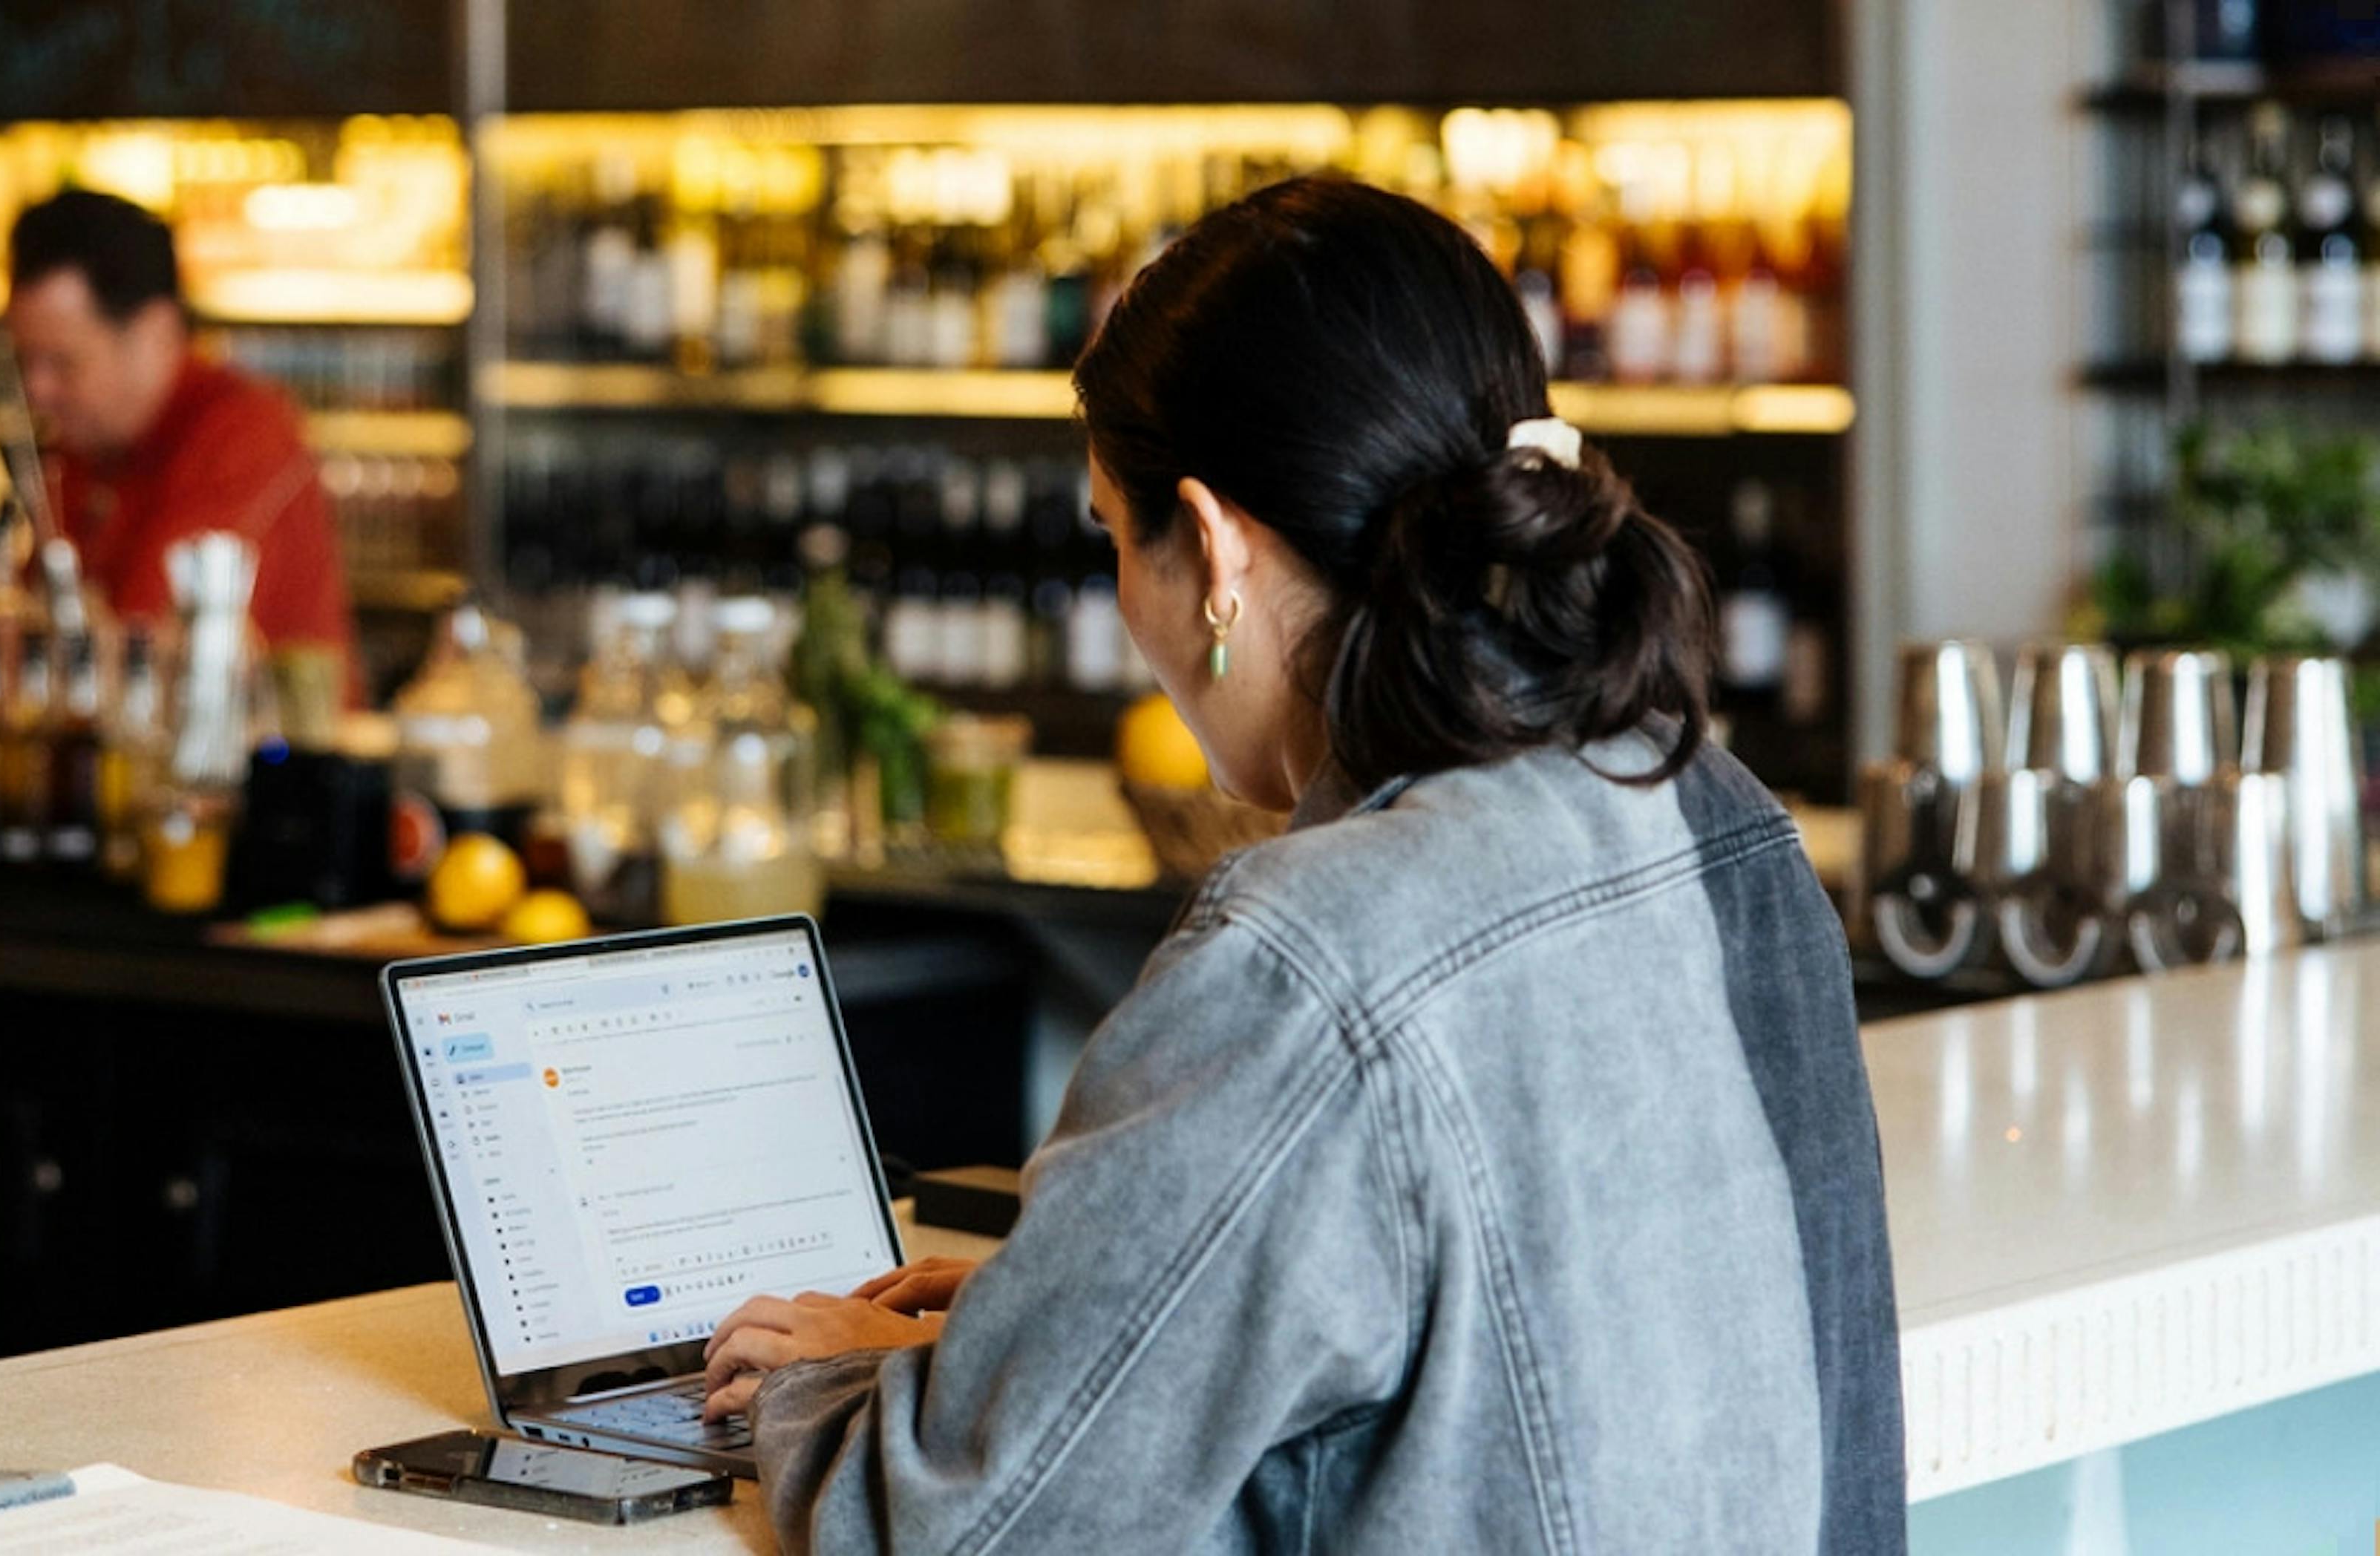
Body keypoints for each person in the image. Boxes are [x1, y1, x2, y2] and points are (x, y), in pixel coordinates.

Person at [701, 178, 1904, 1553]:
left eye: (1113, 535)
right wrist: (1035, 1334)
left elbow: (960, 1527)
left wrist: (825, 1379)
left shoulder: (1309, 953)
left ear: (1212, 550)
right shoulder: (1725, 821)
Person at [4, 189, 355, 669]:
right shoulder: (88, 443)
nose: (37, 389)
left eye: (62, 363)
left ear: (155, 334)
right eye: (25, 360)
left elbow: (143, 650)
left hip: (267, 744)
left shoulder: (245, 434)